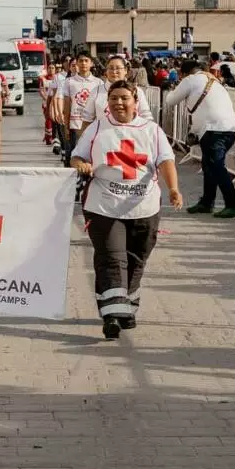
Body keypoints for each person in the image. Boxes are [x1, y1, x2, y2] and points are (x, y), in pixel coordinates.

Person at [72, 80, 181, 339]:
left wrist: (174, 189)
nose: (118, 103)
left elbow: (166, 160)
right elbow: (76, 156)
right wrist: (80, 164)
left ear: (135, 101)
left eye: (124, 98)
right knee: (112, 257)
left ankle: (127, 307)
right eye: (113, 98)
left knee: (136, 258)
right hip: (104, 205)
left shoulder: (151, 130)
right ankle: (112, 315)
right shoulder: (97, 128)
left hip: (144, 206)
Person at [165, 58, 235, 218]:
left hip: (213, 129)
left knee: (217, 167)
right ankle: (207, 202)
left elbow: (170, 100)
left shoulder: (190, 80)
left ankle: (233, 205)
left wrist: (174, 88)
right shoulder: (214, 81)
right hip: (227, 129)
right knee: (209, 165)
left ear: (183, 73)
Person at [79, 56, 153, 130]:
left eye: (118, 68)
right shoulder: (96, 91)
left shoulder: (136, 91)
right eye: (111, 68)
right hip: (103, 135)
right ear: (106, 71)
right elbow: (87, 120)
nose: (114, 72)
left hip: (131, 135)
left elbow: (146, 118)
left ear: (125, 70)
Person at [61, 52, 99, 165]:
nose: (83, 63)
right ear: (76, 63)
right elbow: (67, 105)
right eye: (81, 61)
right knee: (73, 157)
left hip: (92, 126)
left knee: (90, 157)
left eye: (86, 61)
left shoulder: (98, 83)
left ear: (91, 63)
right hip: (75, 126)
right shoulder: (69, 82)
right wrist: (66, 127)